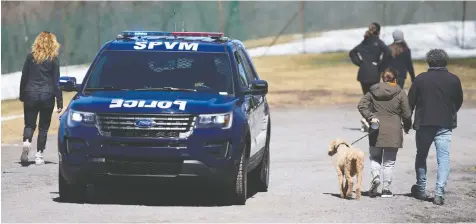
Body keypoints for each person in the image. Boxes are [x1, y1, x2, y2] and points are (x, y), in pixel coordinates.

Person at [408, 49, 463, 206]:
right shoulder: (454, 79)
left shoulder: (420, 79)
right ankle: (439, 192)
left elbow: (410, 102)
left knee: (421, 155)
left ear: (429, 62)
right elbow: (458, 100)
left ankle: (421, 188)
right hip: (445, 123)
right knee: (443, 158)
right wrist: (450, 113)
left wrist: (406, 120)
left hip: (424, 122)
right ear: (445, 61)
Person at [357, 68, 412, 198]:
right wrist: (407, 127)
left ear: (382, 78)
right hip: (394, 130)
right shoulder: (400, 92)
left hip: (376, 128)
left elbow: (361, 105)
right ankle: (386, 189)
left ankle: (376, 176)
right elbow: (407, 114)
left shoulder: (373, 90)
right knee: (389, 162)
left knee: (375, 157)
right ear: (395, 79)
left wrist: (370, 117)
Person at [19, 31, 63, 166]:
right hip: (47, 95)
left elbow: (24, 77)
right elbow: (57, 82)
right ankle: (39, 156)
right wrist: (59, 102)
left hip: (30, 94)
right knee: (43, 127)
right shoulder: (54, 59)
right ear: (53, 44)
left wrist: (22, 95)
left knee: (29, 124)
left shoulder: (30, 57)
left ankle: (27, 142)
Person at [349, 22, 393, 132]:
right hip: (373, 72)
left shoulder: (365, 41)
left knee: (367, 97)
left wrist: (360, 63)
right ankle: (370, 121)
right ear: (378, 31)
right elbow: (388, 52)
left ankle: (366, 119)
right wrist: (381, 65)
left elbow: (352, 52)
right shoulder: (378, 42)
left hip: (363, 72)